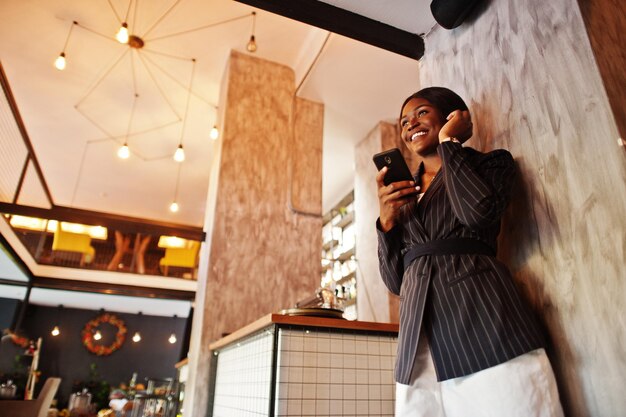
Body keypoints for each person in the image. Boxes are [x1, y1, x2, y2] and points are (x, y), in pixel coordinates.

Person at [375, 87, 563, 416]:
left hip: (481, 316)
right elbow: (395, 282)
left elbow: (478, 214)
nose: (410, 125)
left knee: (512, 402)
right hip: (421, 341)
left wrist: (451, 145)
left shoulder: (492, 164)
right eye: (404, 121)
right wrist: (387, 222)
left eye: (420, 113)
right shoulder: (406, 197)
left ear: (452, 116)